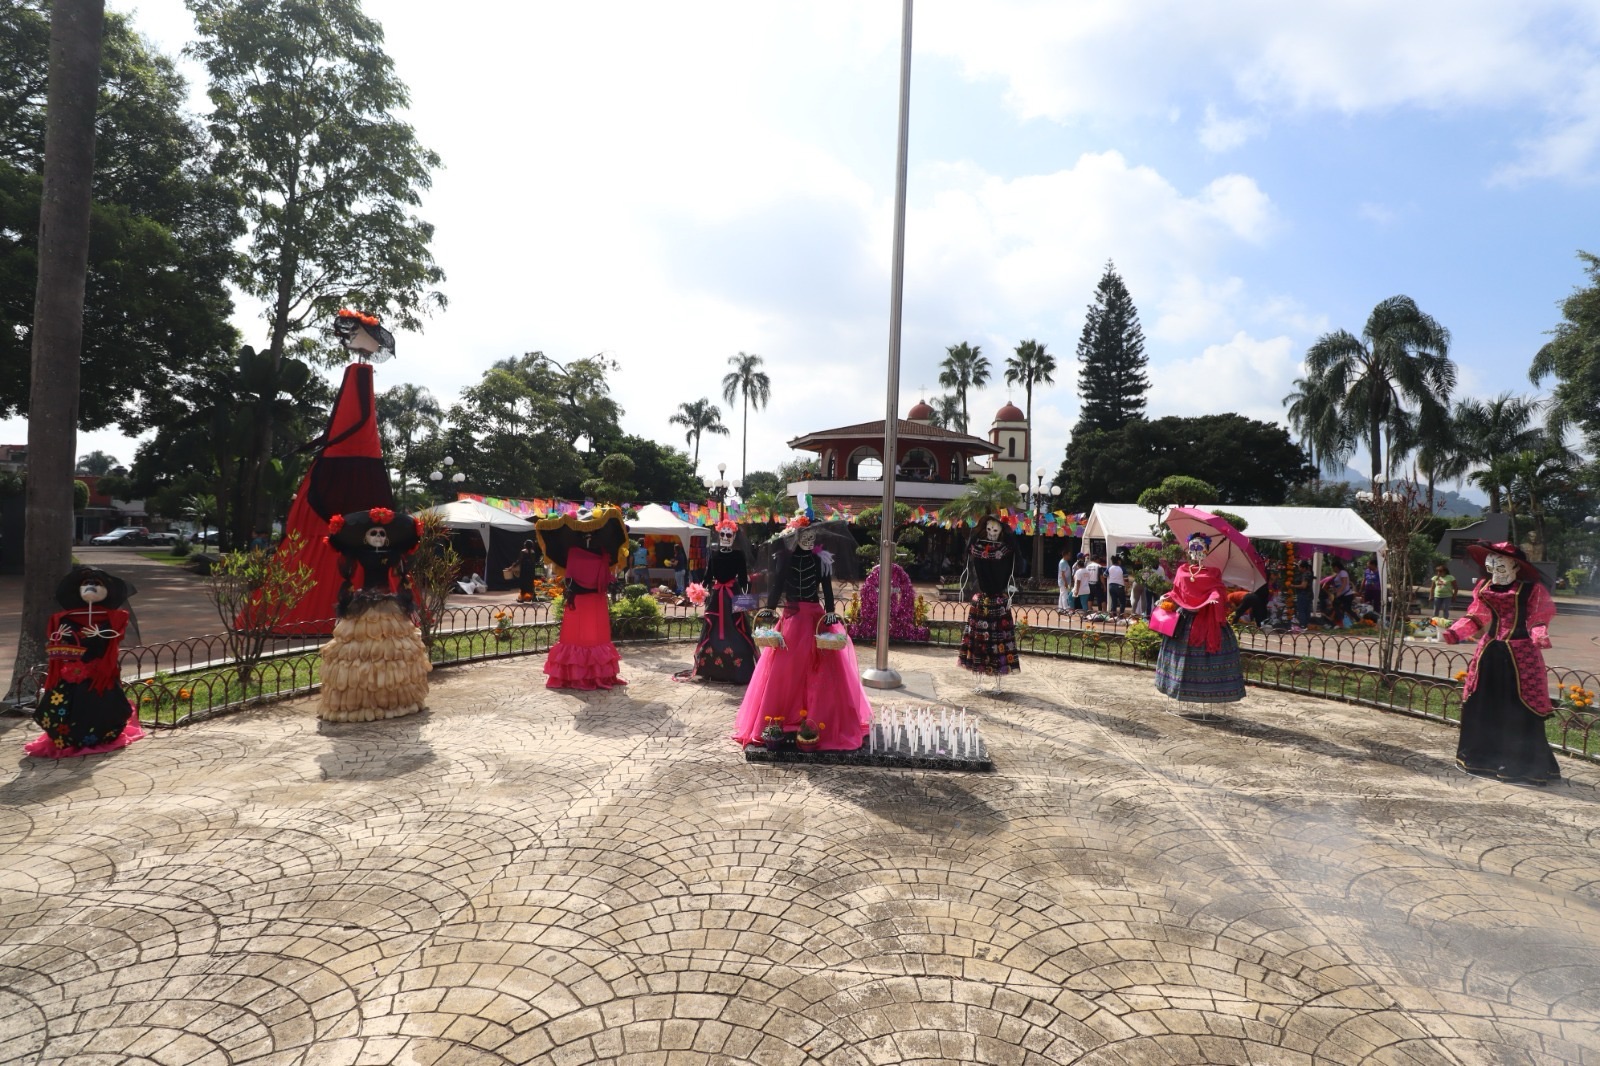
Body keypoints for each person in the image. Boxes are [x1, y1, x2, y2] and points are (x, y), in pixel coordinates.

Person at [733, 513, 870, 751]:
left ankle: (819, 719)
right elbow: (776, 586)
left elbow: (827, 589)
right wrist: (768, 610)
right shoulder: (785, 559)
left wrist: (830, 611)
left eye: (812, 535)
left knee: (821, 667)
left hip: (815, 618)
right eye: (805, 535)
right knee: (787, 668)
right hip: (793, 618)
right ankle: (782, 719)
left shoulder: (821, 560)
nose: (809, 539)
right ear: (795, 536)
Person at [1442, 542, 1560, 784]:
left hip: (1521, 655)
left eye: (1499, 560)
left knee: (1517, 708)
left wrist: (1539, 633)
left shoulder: (1531, 590)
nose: (1493, 565)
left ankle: (1520, 765)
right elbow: (1477, 616)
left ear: (1515, 565)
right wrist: (1456, 632)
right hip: (1489, 652)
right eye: (1490, 560)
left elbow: (1537, 617)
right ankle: (1481, 759)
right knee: (1484, 703)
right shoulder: (1484, 587)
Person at [319, 507, 432, 722]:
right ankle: (362, 699)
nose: (378, 538)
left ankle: (393, 697)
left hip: (388, 600)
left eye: (382, 534)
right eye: (373, 534)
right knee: (361, 651)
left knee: (391, 650)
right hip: (364, 600)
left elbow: (401, 576)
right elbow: (348, 574)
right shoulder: (360, 554)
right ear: (365, 537)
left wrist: (407, 596)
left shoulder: (393, 555)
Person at [26, 566, 146, 758]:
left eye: (96, 584)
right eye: (86, 584)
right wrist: (62, 636)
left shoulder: (114, 618)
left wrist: (100, 635)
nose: (90, 587)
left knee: (104, 707)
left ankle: (100, 735)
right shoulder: (64, 619)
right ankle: (67, 736)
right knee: (59, 706)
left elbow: (113, 639)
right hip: (71, 673)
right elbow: (57, 638)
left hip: (99, 675)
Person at [537, 507, 629, 690]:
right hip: (585, 601)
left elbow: (571, 577)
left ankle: (588, 674)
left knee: (592, 636)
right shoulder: (600, 555)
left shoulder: (589, 554)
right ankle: (584, 674)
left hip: (587, 600)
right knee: (582, 636)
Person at [1155, 533, 1245, 705]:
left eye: (1199, 547)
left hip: (1207, 617)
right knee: (1178, 655)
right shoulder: (1182, 571)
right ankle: (1176, 689)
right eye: (1192, 547)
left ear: (1207, 550)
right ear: (1188, 550)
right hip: (1184, 620)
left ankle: (1209, 694)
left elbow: (1218, 590)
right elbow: (1177, 592)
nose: (1195, 551)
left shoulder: (1213, 573)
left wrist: (1213, 599)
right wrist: (1166, 597)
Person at [686, 518, 757, 684]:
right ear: (719, 535)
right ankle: (711, 668)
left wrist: (748, 597)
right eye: (723, 534)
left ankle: (739, 668)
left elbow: (743, 579)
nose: (726, 537)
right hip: (717, 596)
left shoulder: (739, 555)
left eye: (729, 534)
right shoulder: (714, 554)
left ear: (733, 537)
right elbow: (708, 576)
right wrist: (699, 590)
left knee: (738, 626)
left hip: (732, 594)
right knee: (714, 627)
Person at [958, 515, 1020, 692]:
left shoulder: (1006, 550)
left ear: (1001, 532)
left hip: (999, 602)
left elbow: (1013, 568)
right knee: (978, 643)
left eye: (995, 530)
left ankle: (998, 683)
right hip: (982, 600)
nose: (991, 534)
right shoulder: (976, 548)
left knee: (999, 646)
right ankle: (978, 681)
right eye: (988, 529)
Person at [516, 539, 542, 603]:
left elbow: (519, 560)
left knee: (523, 583)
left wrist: (513, 566)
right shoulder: (533, 552)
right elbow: (533, 561)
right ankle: (531, 597)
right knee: (530, 583)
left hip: (524, 570)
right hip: (531, 570)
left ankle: (522, 598)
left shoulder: (523, 551)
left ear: (525, 545)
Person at [1292, 560, 1314, 628]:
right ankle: (1306, 624)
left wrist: (1293, 586)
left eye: (1300, 567)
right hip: (1308, 595)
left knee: (1302, 610)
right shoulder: (1309, 573)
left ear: (1304, 568)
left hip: (1304, 594)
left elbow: (1303, 586)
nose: (1299, 569)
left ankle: (1303, 625)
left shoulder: (1306, 574)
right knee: (1307, 610)